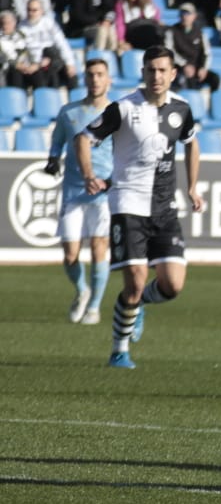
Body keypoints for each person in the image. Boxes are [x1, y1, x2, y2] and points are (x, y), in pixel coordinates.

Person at [75, 46, 205, 370]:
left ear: (173, 74)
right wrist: (90, 175)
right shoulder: (124, 108)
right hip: (127, 202)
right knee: (135, 279)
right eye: (151, 70)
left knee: (173, 285)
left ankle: (139, 304)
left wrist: (191, 186)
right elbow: (84, 138)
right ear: (143, 72)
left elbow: (191, 144)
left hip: (164, 207)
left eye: (162, 70)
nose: (156, 76)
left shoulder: (182, 109)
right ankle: (119, 351)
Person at [44, 59, 115, 325]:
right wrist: (52, 159)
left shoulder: (116, 114)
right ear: (84, 79)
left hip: (103, 192)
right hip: (74, 189)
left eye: (100, 74)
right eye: (91, 75)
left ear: (108, 80)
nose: (95, 79)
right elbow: (58, 140)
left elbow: (123, 153)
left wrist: (110, 180)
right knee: (70, 253)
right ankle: (82, 290)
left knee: (99, 247)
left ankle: (95, 307)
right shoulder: (69, 112)